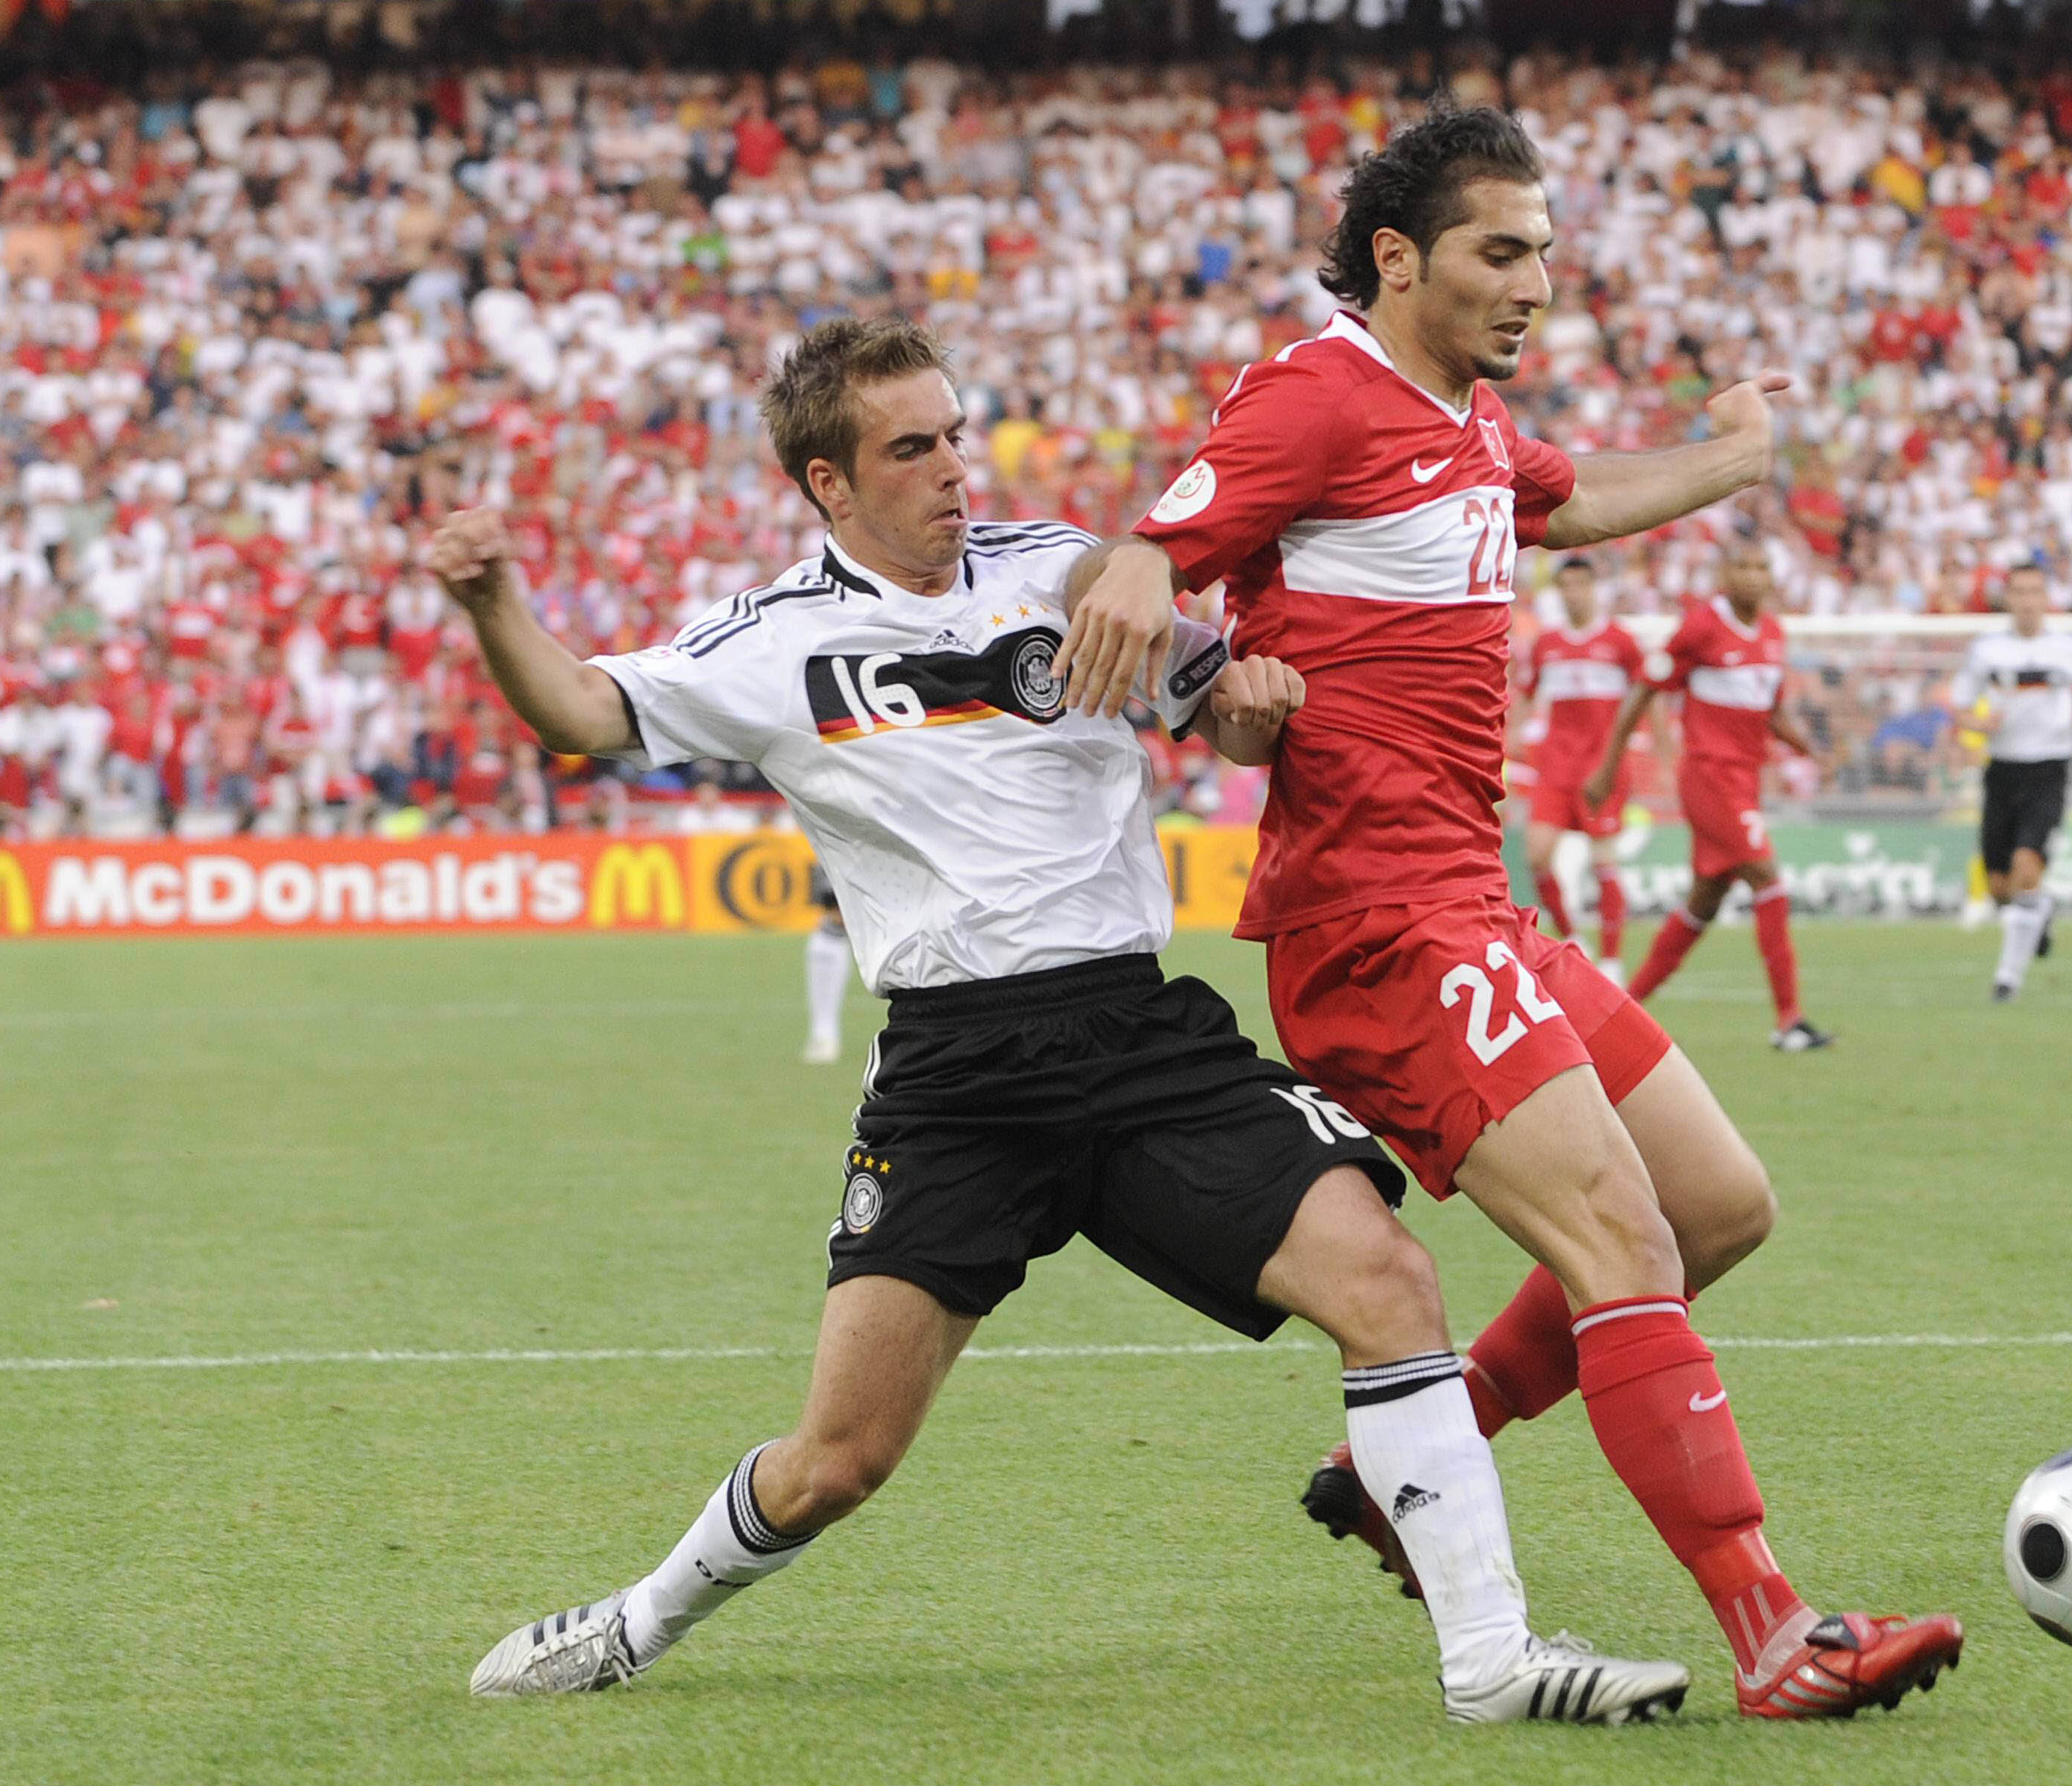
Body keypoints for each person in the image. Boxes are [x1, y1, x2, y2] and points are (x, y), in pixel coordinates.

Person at [443, 317, 1688, 1726]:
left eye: (956, 433)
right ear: (828, 486)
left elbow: (1220, 705)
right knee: (838, 1458)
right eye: (909, 448)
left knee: (1389, 1280)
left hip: (1136, 1036)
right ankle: (630, 1619)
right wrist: (495, 601)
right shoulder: (777, 639)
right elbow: (579, 709)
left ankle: (1492, 1662)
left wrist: (1252, 698)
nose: (952, 469)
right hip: (955, 1075)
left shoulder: (1064, 573)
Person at [1065, 107, 1963, 1720]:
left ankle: (1401, 1457)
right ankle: (1774, 1631)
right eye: (1501, 251)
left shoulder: (1467, 422)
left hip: (1476, 903)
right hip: (1376, 921)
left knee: (1716, 1209)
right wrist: (1148, 582)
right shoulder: (1318, 390)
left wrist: (1738, 457)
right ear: (1398, 258)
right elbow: (1153, 552)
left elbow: (1582, 496)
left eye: (1545, 250)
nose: (1536, 281)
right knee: (1622, 1238)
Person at [1595, 542, 1830, 1048]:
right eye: (1743, 565)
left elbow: (1771, 711)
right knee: (1769, 881)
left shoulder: (1772, 634)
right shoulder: (1701, 627)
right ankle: (1789, 1021)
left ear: (1772, 576)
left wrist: (1812, 750)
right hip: (1708, 778)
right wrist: (1608, 765)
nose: (1752, 574)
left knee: (1704, 901)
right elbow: (1644, 688)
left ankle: (1620, 1013)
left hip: (1744, 780)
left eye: (1762, 565)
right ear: (1726, 573)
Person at [1946, 560, 2072, 1000]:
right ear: (2008, 598)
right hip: (2003, 770)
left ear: (2046, 597)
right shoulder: (1987, 650)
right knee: (2000, 888)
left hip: (2050, 768)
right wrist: (1977, 725)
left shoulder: (2069, 648)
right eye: (2020, 592)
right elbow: (1959, 706)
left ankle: (2007, 980)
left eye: (2036, 591)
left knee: (2025, 868)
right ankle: (2042, 911)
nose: (2028, 601)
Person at [1516, 557, 1645, 962]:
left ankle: (1612, 962)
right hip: (1556, 764)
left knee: (1603, 858)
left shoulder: (1620, 642)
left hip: (1601, 767)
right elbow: (1526, 692)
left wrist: (1653, 747)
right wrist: (1516, 734)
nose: (1573, 593)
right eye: (1565, 586)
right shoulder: (1547, 645)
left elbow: (1646, 693)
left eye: (1580, 585)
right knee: (1536, 854)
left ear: (1593, 588)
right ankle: (1575, 938)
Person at [803, 863, 856, 1063]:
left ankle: (827, 1039)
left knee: (828, 994)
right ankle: (822, 1037)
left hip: (838, 940)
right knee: (819, 995)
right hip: (828, 937)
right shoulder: (824, 865)